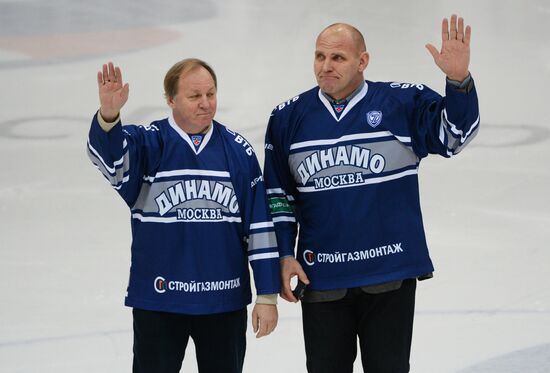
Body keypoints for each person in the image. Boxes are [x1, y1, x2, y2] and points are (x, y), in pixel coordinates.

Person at [263, 15, 479, 373]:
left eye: (338, 58)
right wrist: (285, 253)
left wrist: (458, 82)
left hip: (388, 271)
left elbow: (453, 136)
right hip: (323, 278)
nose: (326, 66)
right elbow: (278, 196)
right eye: (320, 57)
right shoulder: (288, 118)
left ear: (362, 61)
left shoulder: (401, 103)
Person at [87, 58, 280, 373]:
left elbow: (258, 227)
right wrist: (109, 117)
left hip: (223, 299)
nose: (205, 104)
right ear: (170, 99)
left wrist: (268, 296)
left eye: (211, 94)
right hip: (160, 299)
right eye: (195, 96)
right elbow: (111, 164)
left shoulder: (237, 151)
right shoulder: (148, 143)